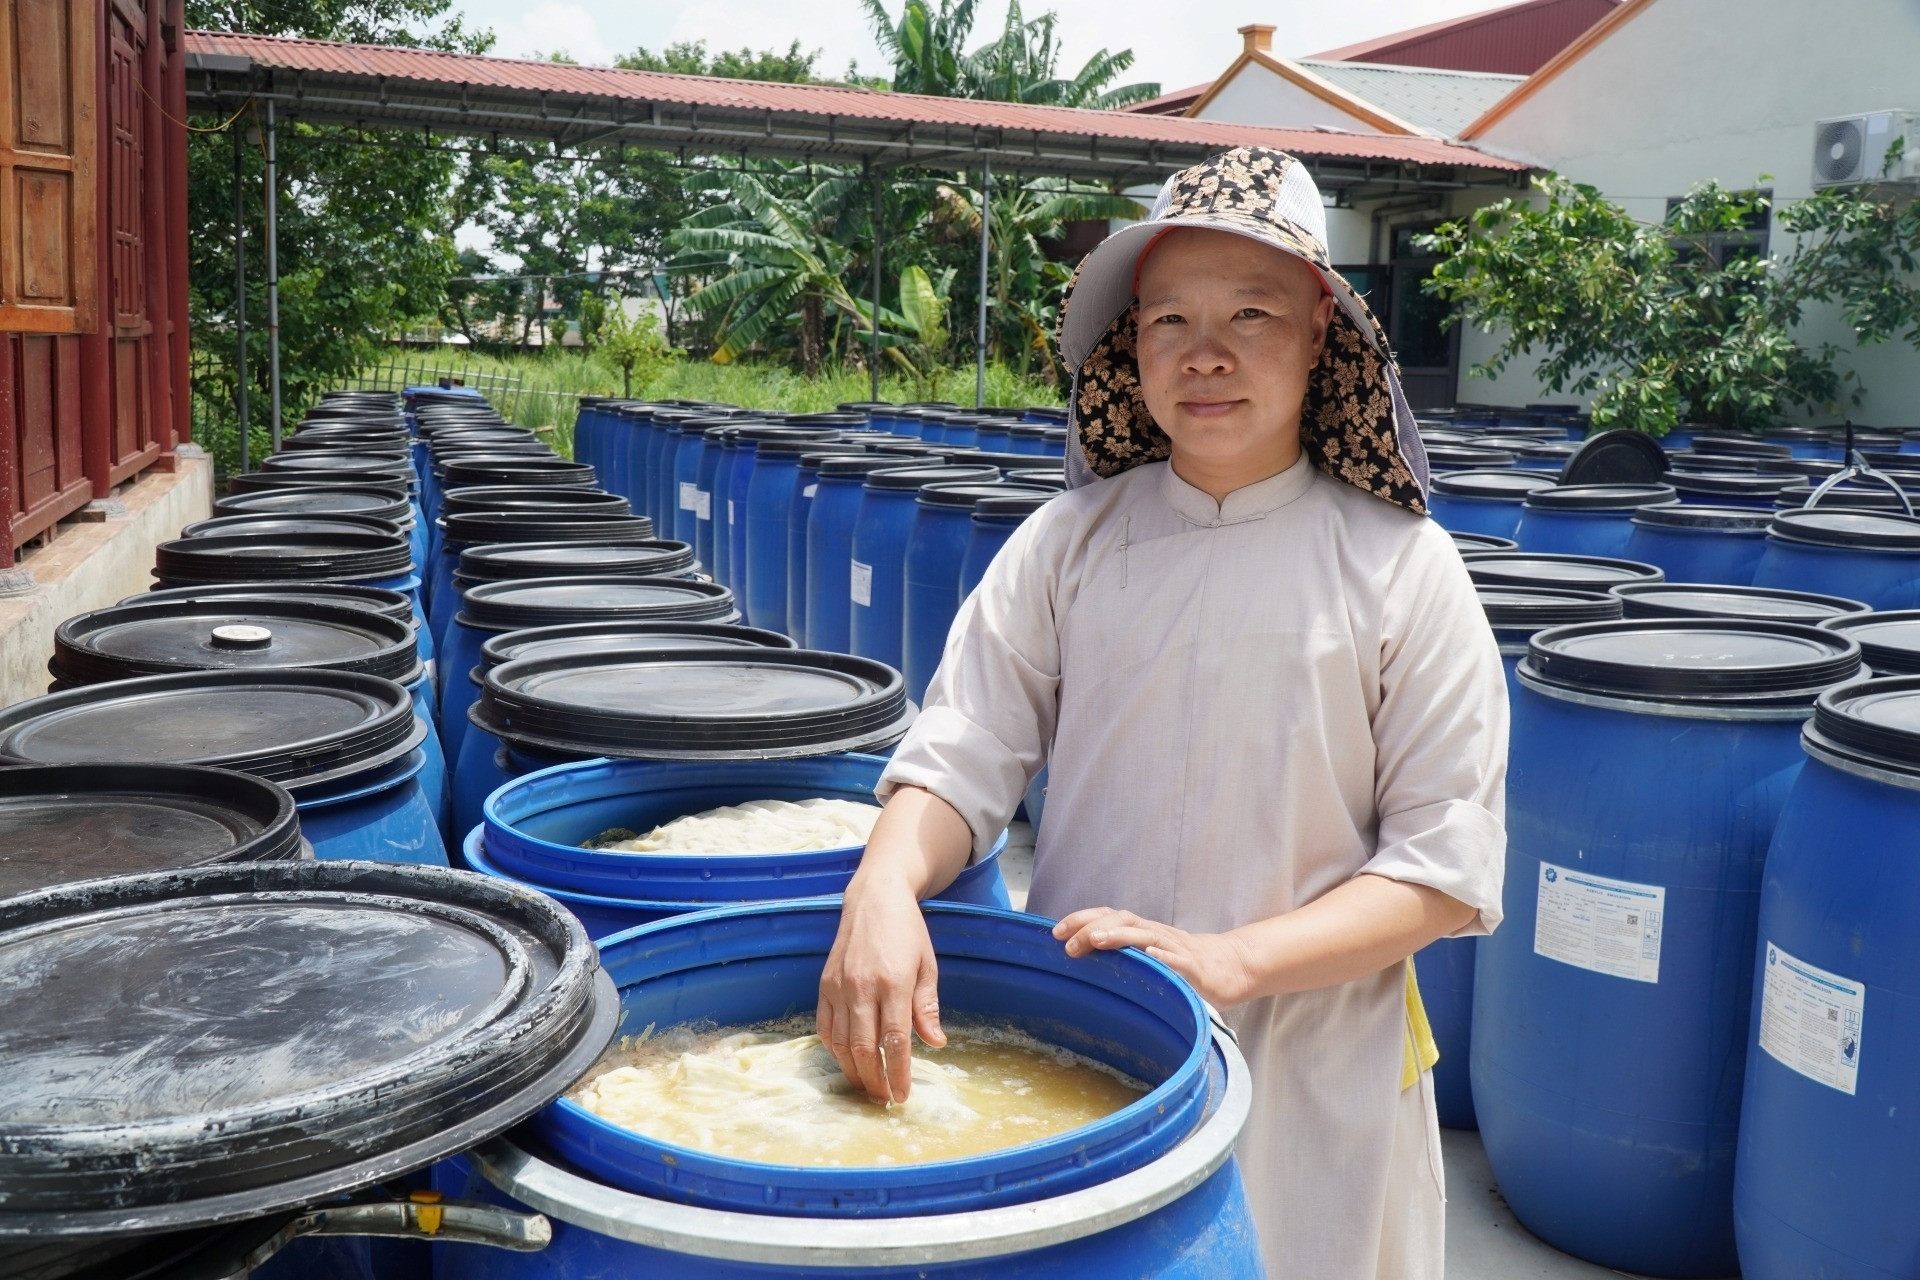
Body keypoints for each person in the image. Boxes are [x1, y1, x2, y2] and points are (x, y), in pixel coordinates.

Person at [816, 146, 1508, 1279]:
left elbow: (1443, 863)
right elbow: (967, 747)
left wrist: (1235, 959)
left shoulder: (1402, 568)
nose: (1208, 353)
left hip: (1315, 1062)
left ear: (1327, 333)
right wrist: (882, 884)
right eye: (1169, 320)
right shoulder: (1069, 545)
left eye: (1252, 312)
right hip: (1095, 1042)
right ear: (1126, 346)